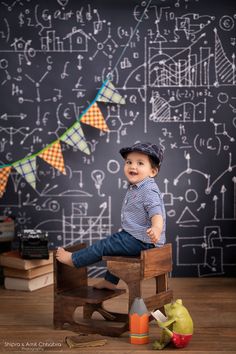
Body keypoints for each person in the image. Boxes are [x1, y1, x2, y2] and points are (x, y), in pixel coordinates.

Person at [56, 142, 166, 290]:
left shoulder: (148, 190)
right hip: (137, 237)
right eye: (129, 162)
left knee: (105, 245)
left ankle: (74, 260)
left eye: (140, 163)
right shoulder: (138, 186)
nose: (133, 166)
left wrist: (156, 228)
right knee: (118, 250)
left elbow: (156, 212)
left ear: (152, 172)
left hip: (142, 240)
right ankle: (109, 281)